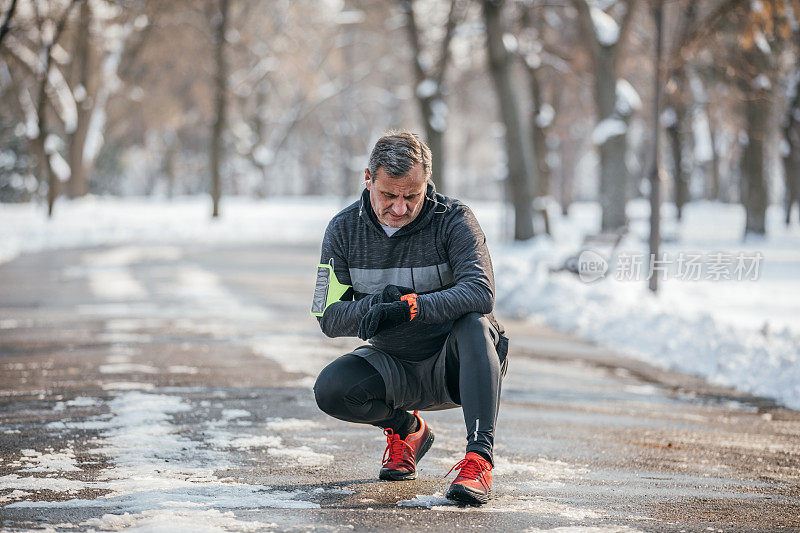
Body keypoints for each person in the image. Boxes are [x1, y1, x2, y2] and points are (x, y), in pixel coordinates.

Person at [311, 131, 508, 505]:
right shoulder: (342, 229)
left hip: (459, 364)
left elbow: (481, 292)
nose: (400, 208)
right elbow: (327, 315)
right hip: (393, 366)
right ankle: (408, 431)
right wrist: (373, 309)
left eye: (411, 196)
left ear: (427, 184)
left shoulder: (454, 219)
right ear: (368, 178)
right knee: (330, 389)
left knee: (475, 323)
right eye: (389, 195)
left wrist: (410, 306)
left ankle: (479, 459)